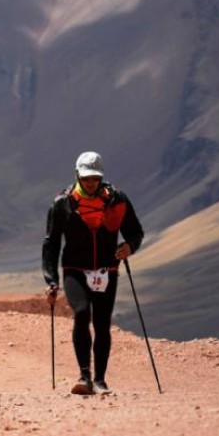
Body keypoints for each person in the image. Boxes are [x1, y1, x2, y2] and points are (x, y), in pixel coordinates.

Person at [42, 151, 144, 395]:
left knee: (101, 323)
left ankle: (100, 380)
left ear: (101, 178)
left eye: (95, 179)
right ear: (77, 175)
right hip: (74, 269)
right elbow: (51, 243)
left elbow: (135, 232)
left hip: (106, 269)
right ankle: (84, 376)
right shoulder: (63, 204)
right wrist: (51, 280)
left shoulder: (117, 200)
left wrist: (129, 247)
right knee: (80, 312)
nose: (90, 183)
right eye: (86, 178)